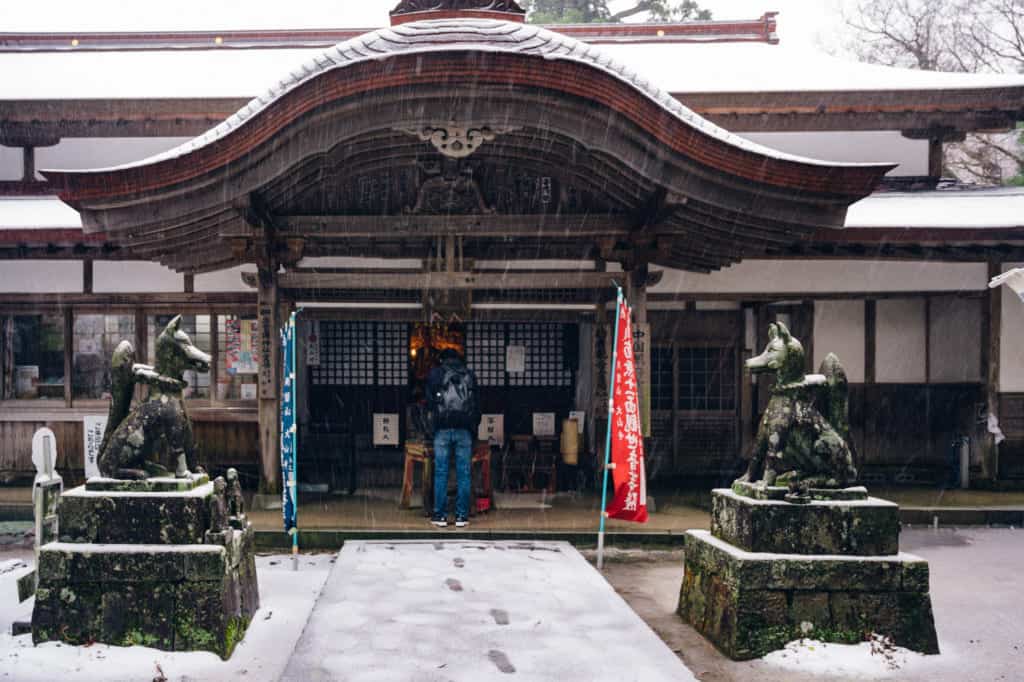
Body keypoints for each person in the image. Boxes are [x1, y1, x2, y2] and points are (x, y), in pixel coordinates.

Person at [426, 348, 480, 528]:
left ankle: (440, 515)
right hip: (464, 430)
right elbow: (477, 405)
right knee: (463, 473)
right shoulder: (469, 375)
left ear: (442, 358)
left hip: (442, 428)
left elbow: (429, 402)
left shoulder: (435, 374)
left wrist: (432, 425)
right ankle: (461, 516)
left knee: (441, 473)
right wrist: (473, 427)